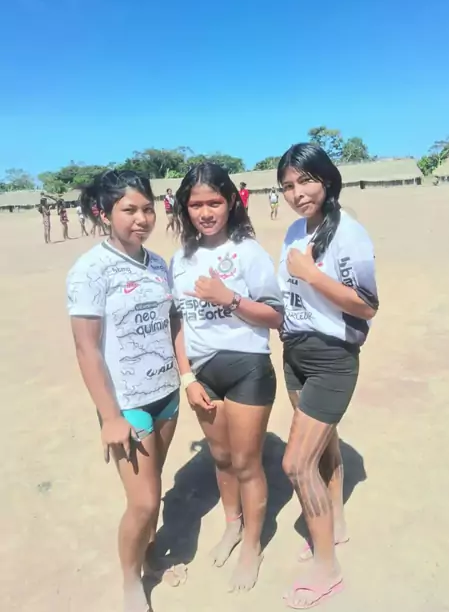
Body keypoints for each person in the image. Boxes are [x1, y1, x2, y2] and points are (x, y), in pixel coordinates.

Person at [66, 170, 187, 612]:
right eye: (129, 210)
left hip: (166, 395)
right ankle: (130, 581)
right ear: (104, 213)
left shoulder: (157, 264)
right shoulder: (90, 270)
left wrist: (186, 376)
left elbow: (172, 322)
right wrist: (110, 416)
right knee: (144, 501)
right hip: (128, 405)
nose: (142, 219)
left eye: (148, 209)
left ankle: (151, 557)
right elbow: (86, 348)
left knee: (154, 486)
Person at [170, 163, 283, 592]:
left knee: (246, 462)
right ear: (184, 208)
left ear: (232, 202)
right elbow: (178, 323)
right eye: (195, 204)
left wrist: (229, 298)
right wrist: (187, 378)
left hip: (247, 368)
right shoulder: (181, 259)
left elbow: (275, 316)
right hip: (202, 373)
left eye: (214, 202)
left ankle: (252, 545)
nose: (205, 212)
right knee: (220, 458)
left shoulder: (248, 252)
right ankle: (232, 525)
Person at [277, 143, 379, 608]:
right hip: (295, 352)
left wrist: (312, 274)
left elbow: (367, 305)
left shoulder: (349, 234)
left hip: (332, 358)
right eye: (288, 186)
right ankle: (332, 524)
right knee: (324, 447)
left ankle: (327, 568)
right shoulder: (294, 232)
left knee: (296, 464)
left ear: (327, 180)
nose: (297, 193)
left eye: (306, 181)